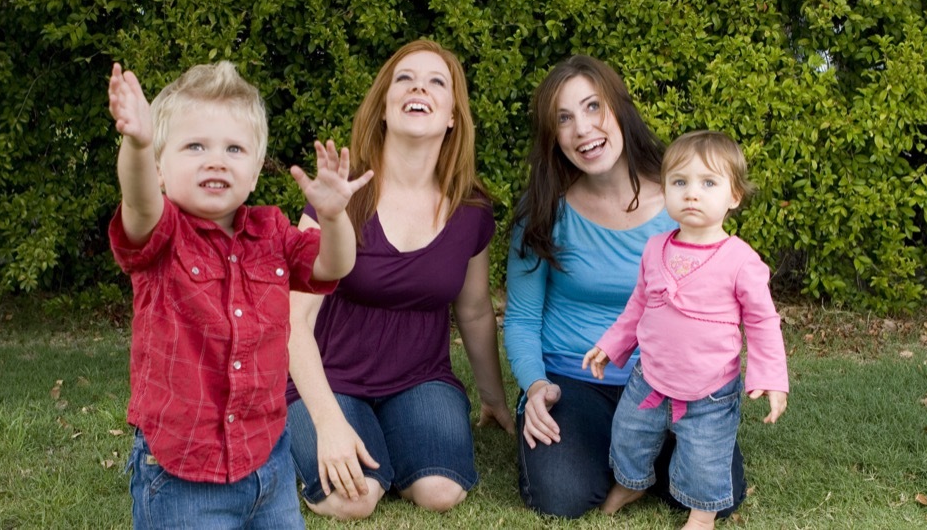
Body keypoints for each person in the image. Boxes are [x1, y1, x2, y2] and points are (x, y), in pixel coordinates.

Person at [107, 61, 372, 529]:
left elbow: (335, 266)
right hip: (180, 475)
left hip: (267, 464)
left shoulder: (271, 231)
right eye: (195, 146)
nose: (216, 160)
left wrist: (333, 218)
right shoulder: (161, 234)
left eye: (234, 148)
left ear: (252, 174)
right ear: (161, 171)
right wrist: (138, 142)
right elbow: (139, 197)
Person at [504, 55, 748, 519]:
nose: (582, 129)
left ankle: (644, 459)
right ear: (553, 137)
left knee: (720, 494)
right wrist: (535, 386)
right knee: (563, 495)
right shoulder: (542, 210)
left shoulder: (682, 197)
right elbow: (520, 317)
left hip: (670, 382)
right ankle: (622, 457)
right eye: (564, 118)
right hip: (572, 380)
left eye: (593, 107)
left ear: (619, 109)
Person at [286, 39, 515, 520]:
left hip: (419, 379)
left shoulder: (471, 208)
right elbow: (293, 320)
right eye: (405, 79)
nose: (419, 88)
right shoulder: (341, 194)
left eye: (437, 82)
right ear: (385, 107)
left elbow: (473, 310)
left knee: (441, 492)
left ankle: (385, 436)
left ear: (453, 115)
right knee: (355, 500)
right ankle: (310, 430)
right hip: (332, 378)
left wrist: (493, 398)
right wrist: (327, 422)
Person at [584, 130, 788, 529]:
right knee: (628, 435)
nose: (692, 193)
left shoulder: (739, 260)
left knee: (705, 456)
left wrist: (772, 377)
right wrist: (611, 345)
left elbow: (763, 322)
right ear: (665, 191)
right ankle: (631, 482)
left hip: (709, 391)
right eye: (680, 182)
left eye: (708, 183)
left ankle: (701, 514)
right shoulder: (656, 248)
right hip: (650, 378)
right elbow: (638, 307)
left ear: (734, 196)